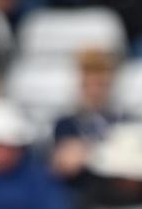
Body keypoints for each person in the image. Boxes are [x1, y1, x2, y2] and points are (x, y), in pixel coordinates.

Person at [50, 49, 131, 181]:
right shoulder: (65, 124)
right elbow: (66, 165)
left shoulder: (127, 121)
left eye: (101, 85)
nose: (94, 92)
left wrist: (88, 152)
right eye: (87, 85)